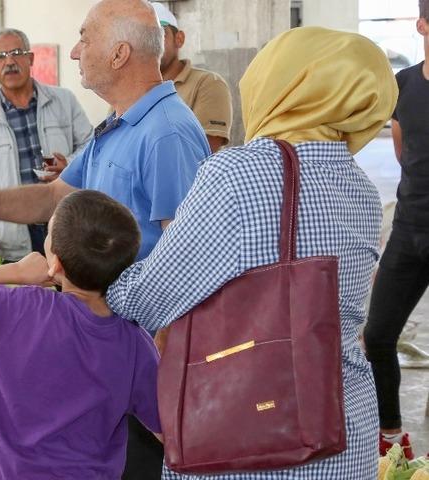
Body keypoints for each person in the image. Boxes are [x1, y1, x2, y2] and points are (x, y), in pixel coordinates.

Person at [106, 27, 397, 479]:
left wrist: (96, 280)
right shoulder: (359, 189)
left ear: (277, 85)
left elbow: (150, 299)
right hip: (342, 434)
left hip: (249, 434)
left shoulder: (238, 174)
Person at [0, 2, 209, 477]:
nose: (73, 52)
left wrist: (157, 371)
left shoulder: (166, 133)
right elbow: (56, 195)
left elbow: (187, 267)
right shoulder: (119, 124)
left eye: (84, 39)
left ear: (118, 53)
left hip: (136, 367)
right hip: (108, 355)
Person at [0, 189, 161, 479]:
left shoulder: (19, 310)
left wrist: (19, 272)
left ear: (56, 263)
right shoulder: (135, 343)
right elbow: (166, 428)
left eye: (47, 233)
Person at [0, 28, 93, 261]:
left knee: (68, 293)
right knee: (22, 295)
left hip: (64, 225)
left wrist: (69, 165)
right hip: (11, 236)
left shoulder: (64, 101)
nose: (9, 62)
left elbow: (92, 148)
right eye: (0, 56)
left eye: (17, 53)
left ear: (30, 58)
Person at [364, 0, 429, 461]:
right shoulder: (403, 85)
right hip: (409, 233)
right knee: (378, 335)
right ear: (422, 24)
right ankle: (392, 438)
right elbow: (405, 157)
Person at [151, 2, 232, 153]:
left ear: (179, 38)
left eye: (159, 34)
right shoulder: (131, 89)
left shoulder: (208, 84)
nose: (152, 43)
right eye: (146, 37)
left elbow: (201, 152)